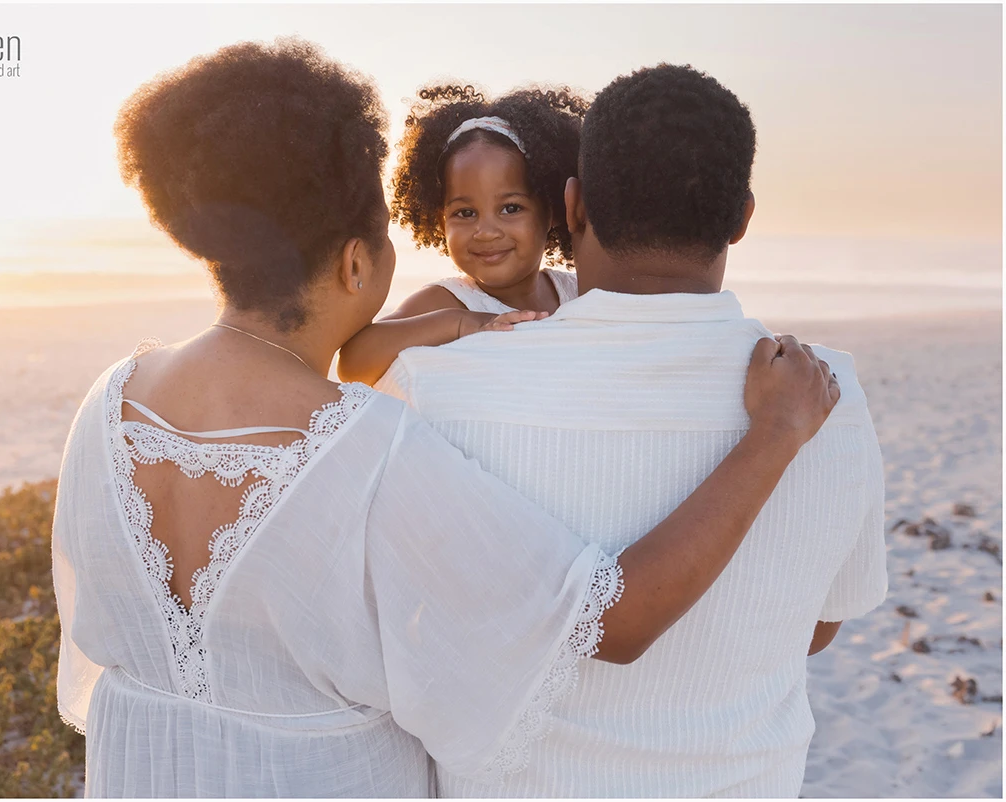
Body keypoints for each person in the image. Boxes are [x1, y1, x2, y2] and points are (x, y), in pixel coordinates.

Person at [52, 42, 839, 798]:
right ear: (358, 262)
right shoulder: (371, 448)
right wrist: (773, 436)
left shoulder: (107, 401)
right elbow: (615, 619)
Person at [380, 64, 888, 798]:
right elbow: (816, 626)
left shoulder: (438, 386)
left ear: (574, 206)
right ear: (741, 217)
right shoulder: (826, 392)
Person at [338, 86, 585, 385]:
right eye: (465, 213)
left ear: (553, 211)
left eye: (510, 208)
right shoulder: (449, 302)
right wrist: (459, 325)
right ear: (440, 221)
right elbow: (353, 362)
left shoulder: (576, 292)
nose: (486, 232)